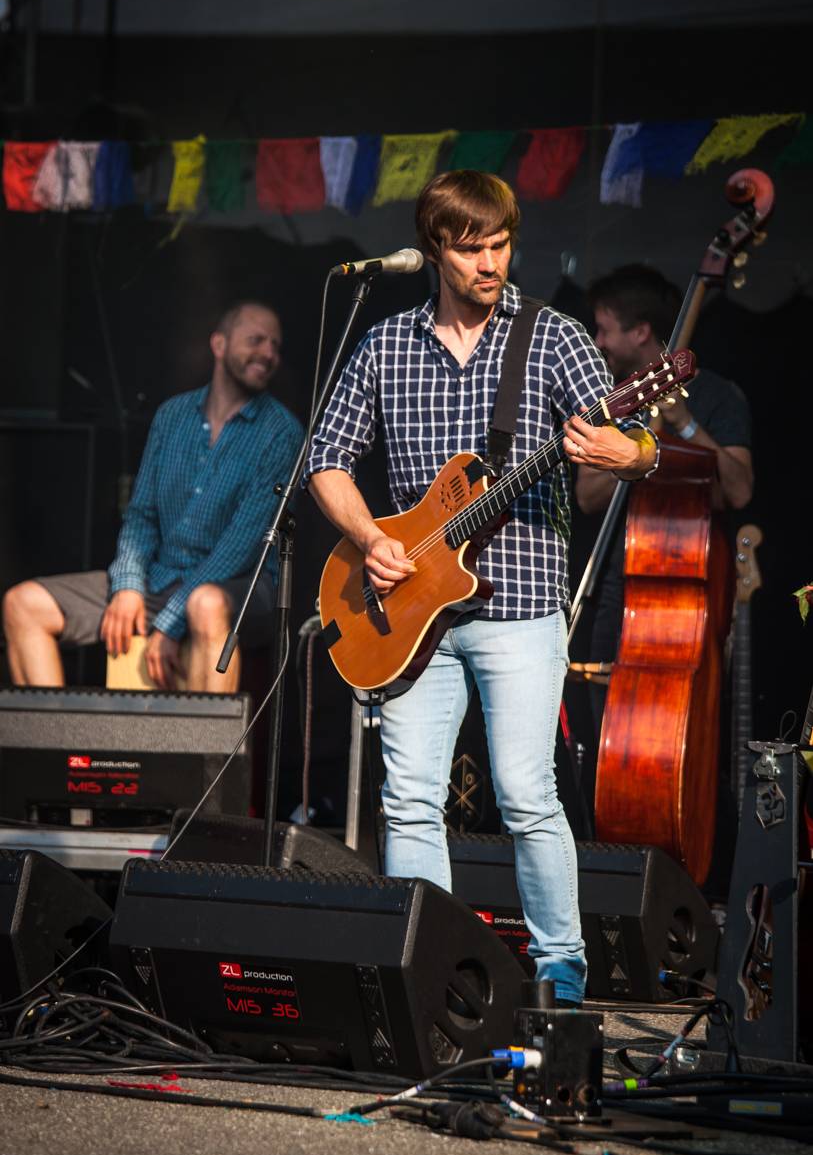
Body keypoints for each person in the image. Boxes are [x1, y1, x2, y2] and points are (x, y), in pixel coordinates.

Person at [305, 171, 657, 1004]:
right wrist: (371, 542)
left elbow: (636, 438)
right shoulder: (386, 344)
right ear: (435, 250)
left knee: (528, 793)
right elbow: (325, 461)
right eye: (470, 249)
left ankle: (560, 970)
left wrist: (627, 453)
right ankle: (433, 969)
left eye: (500, 245)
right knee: (410, 799)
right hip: (406, 609)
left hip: (520, 606)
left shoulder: (553, 337)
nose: (490, 263)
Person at [3, 301, 302, 693]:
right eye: (256, 340)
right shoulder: (171, 416)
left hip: (242, 587)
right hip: (160, 577)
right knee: (22, 604)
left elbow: (241, 547)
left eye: (275, 346)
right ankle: (50, 746)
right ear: (219, 344)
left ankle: (208, 756)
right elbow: (141, 515)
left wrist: (169, 623)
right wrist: (128, 585)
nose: (268, 353)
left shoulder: (281, 431)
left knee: (205, 604)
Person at [575, 264, 753, 685]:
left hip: (693, 594)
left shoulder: (718, 396)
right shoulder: (609, 403)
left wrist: (685, 423)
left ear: (640, 331)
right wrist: (637, 454)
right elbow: (586, 497)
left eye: (604, 330)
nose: (598, 343)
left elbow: (739, 490)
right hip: (620, 589)